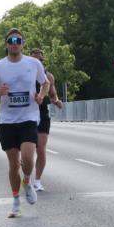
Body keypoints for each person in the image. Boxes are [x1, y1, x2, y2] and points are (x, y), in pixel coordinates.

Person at [0, 28, 47, 218]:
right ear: (6, 44)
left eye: (18, 40)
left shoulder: (33, 63)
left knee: (27, 158)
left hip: (29, 118)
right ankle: (16, 201)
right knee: (12, 164)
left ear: (23, 43)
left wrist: (41, 95)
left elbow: (45, 83)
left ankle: (27, 180)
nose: (15, 43)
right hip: (7, 121)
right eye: (11, 40)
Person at [30, 47, 64, 191]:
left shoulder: (48, 76)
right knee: (28, 150)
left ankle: (37, 181)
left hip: (43, 113)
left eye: (41, 60)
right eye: (35, 60)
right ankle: (26, 176)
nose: (39, 63)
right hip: (26, 114)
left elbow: (53, 94)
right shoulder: (25, 74)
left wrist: (56, 101)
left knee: (41, 149)